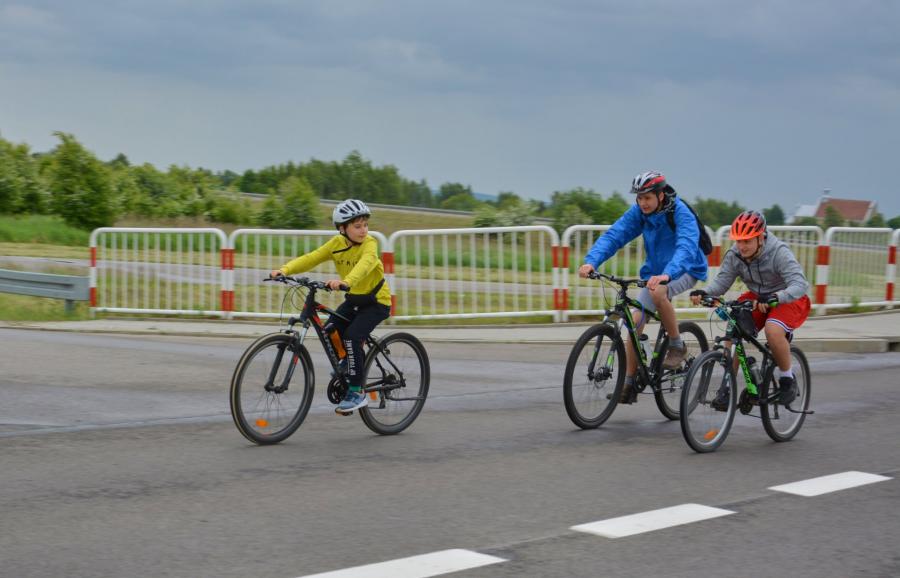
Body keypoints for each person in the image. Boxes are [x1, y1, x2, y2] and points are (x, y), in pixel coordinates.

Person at [578, 171, 709, 403]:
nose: (642, 203)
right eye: (639, 198)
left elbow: (686, 248)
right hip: (654, 274)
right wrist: (592, 261)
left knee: (658, 292)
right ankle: (629, 384)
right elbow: (615, 235)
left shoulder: (680, 212)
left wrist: (668, 274)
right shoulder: (640, 213)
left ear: (661, 195)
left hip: (686, 268)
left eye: (647, 197)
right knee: (634, 321)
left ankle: (677, 345)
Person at [270, 199, 392, 414]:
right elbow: (312, 258)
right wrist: (285, 270)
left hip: (376, 302)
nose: (363, 230)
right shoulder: (336, 244)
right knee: (330, 329)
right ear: (342, 228)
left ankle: (357, 392)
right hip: (354, 300)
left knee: (352, 337)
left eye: (365, 225)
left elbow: (365, 266)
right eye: (357, 226)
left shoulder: (370, 244)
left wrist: (346, 282)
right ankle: (351, 361)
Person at [690, 210, 810, 408]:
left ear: (760, 238)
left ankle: (787, 379)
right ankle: (726, 388)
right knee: (734, 327)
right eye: (738, 241)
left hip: (788, 297)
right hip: (757, 297)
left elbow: (800, 284)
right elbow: (722, 282)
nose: (741, 246)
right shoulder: (735, 254)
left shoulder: (779, 252)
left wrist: (776, 297)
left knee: (773, 330)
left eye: (747, 241)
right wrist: (705, 292)